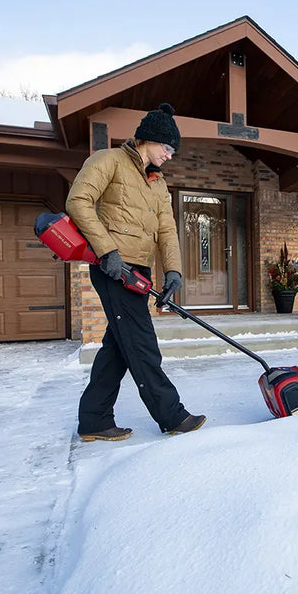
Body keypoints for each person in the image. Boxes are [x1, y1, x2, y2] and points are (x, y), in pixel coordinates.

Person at [65, 103, 206, 442]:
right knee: (142, 344)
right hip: (112, 267)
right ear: (150, 139)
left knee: (119, 346)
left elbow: (167, 229)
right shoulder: (107, 161)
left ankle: (94, 420)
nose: (170, 156)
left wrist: (173, 271)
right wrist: (107, 251)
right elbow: (78, 201)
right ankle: (172, 415)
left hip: (137, 269)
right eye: (168, 148)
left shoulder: (158, 183)